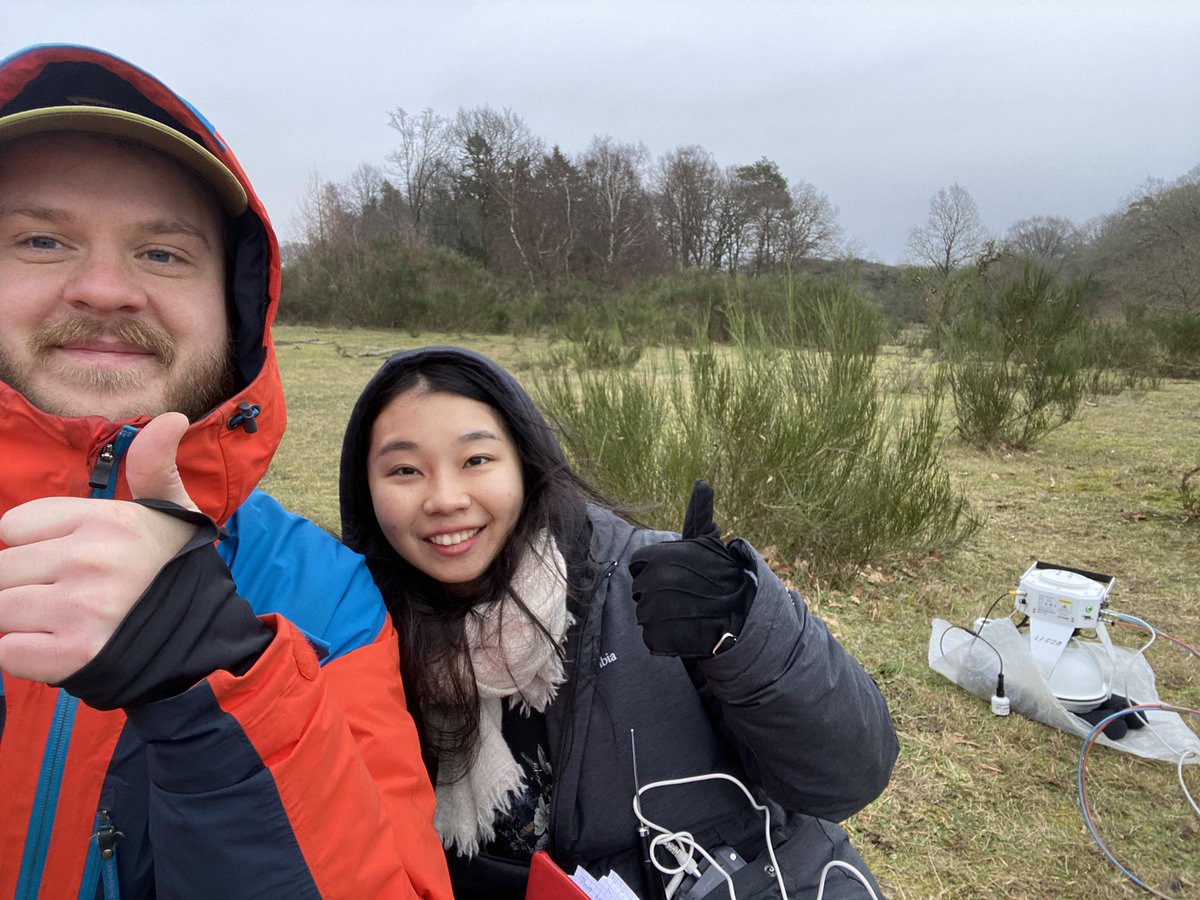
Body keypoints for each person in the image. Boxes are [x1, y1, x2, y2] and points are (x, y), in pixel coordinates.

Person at [0, 45, 452, 898]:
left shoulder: (327, 600)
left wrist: (215, 695)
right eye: (43, 238)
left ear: (237, 309)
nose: (103, 288)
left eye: (163, 254)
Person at [339, 346, 900, 899]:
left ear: (525, 462)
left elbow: (850, 773)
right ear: (367, 489)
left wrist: (745, 629)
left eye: (476, 460)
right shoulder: (356, 638)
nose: (445, 497)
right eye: (405, 469)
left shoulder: (656, 584)